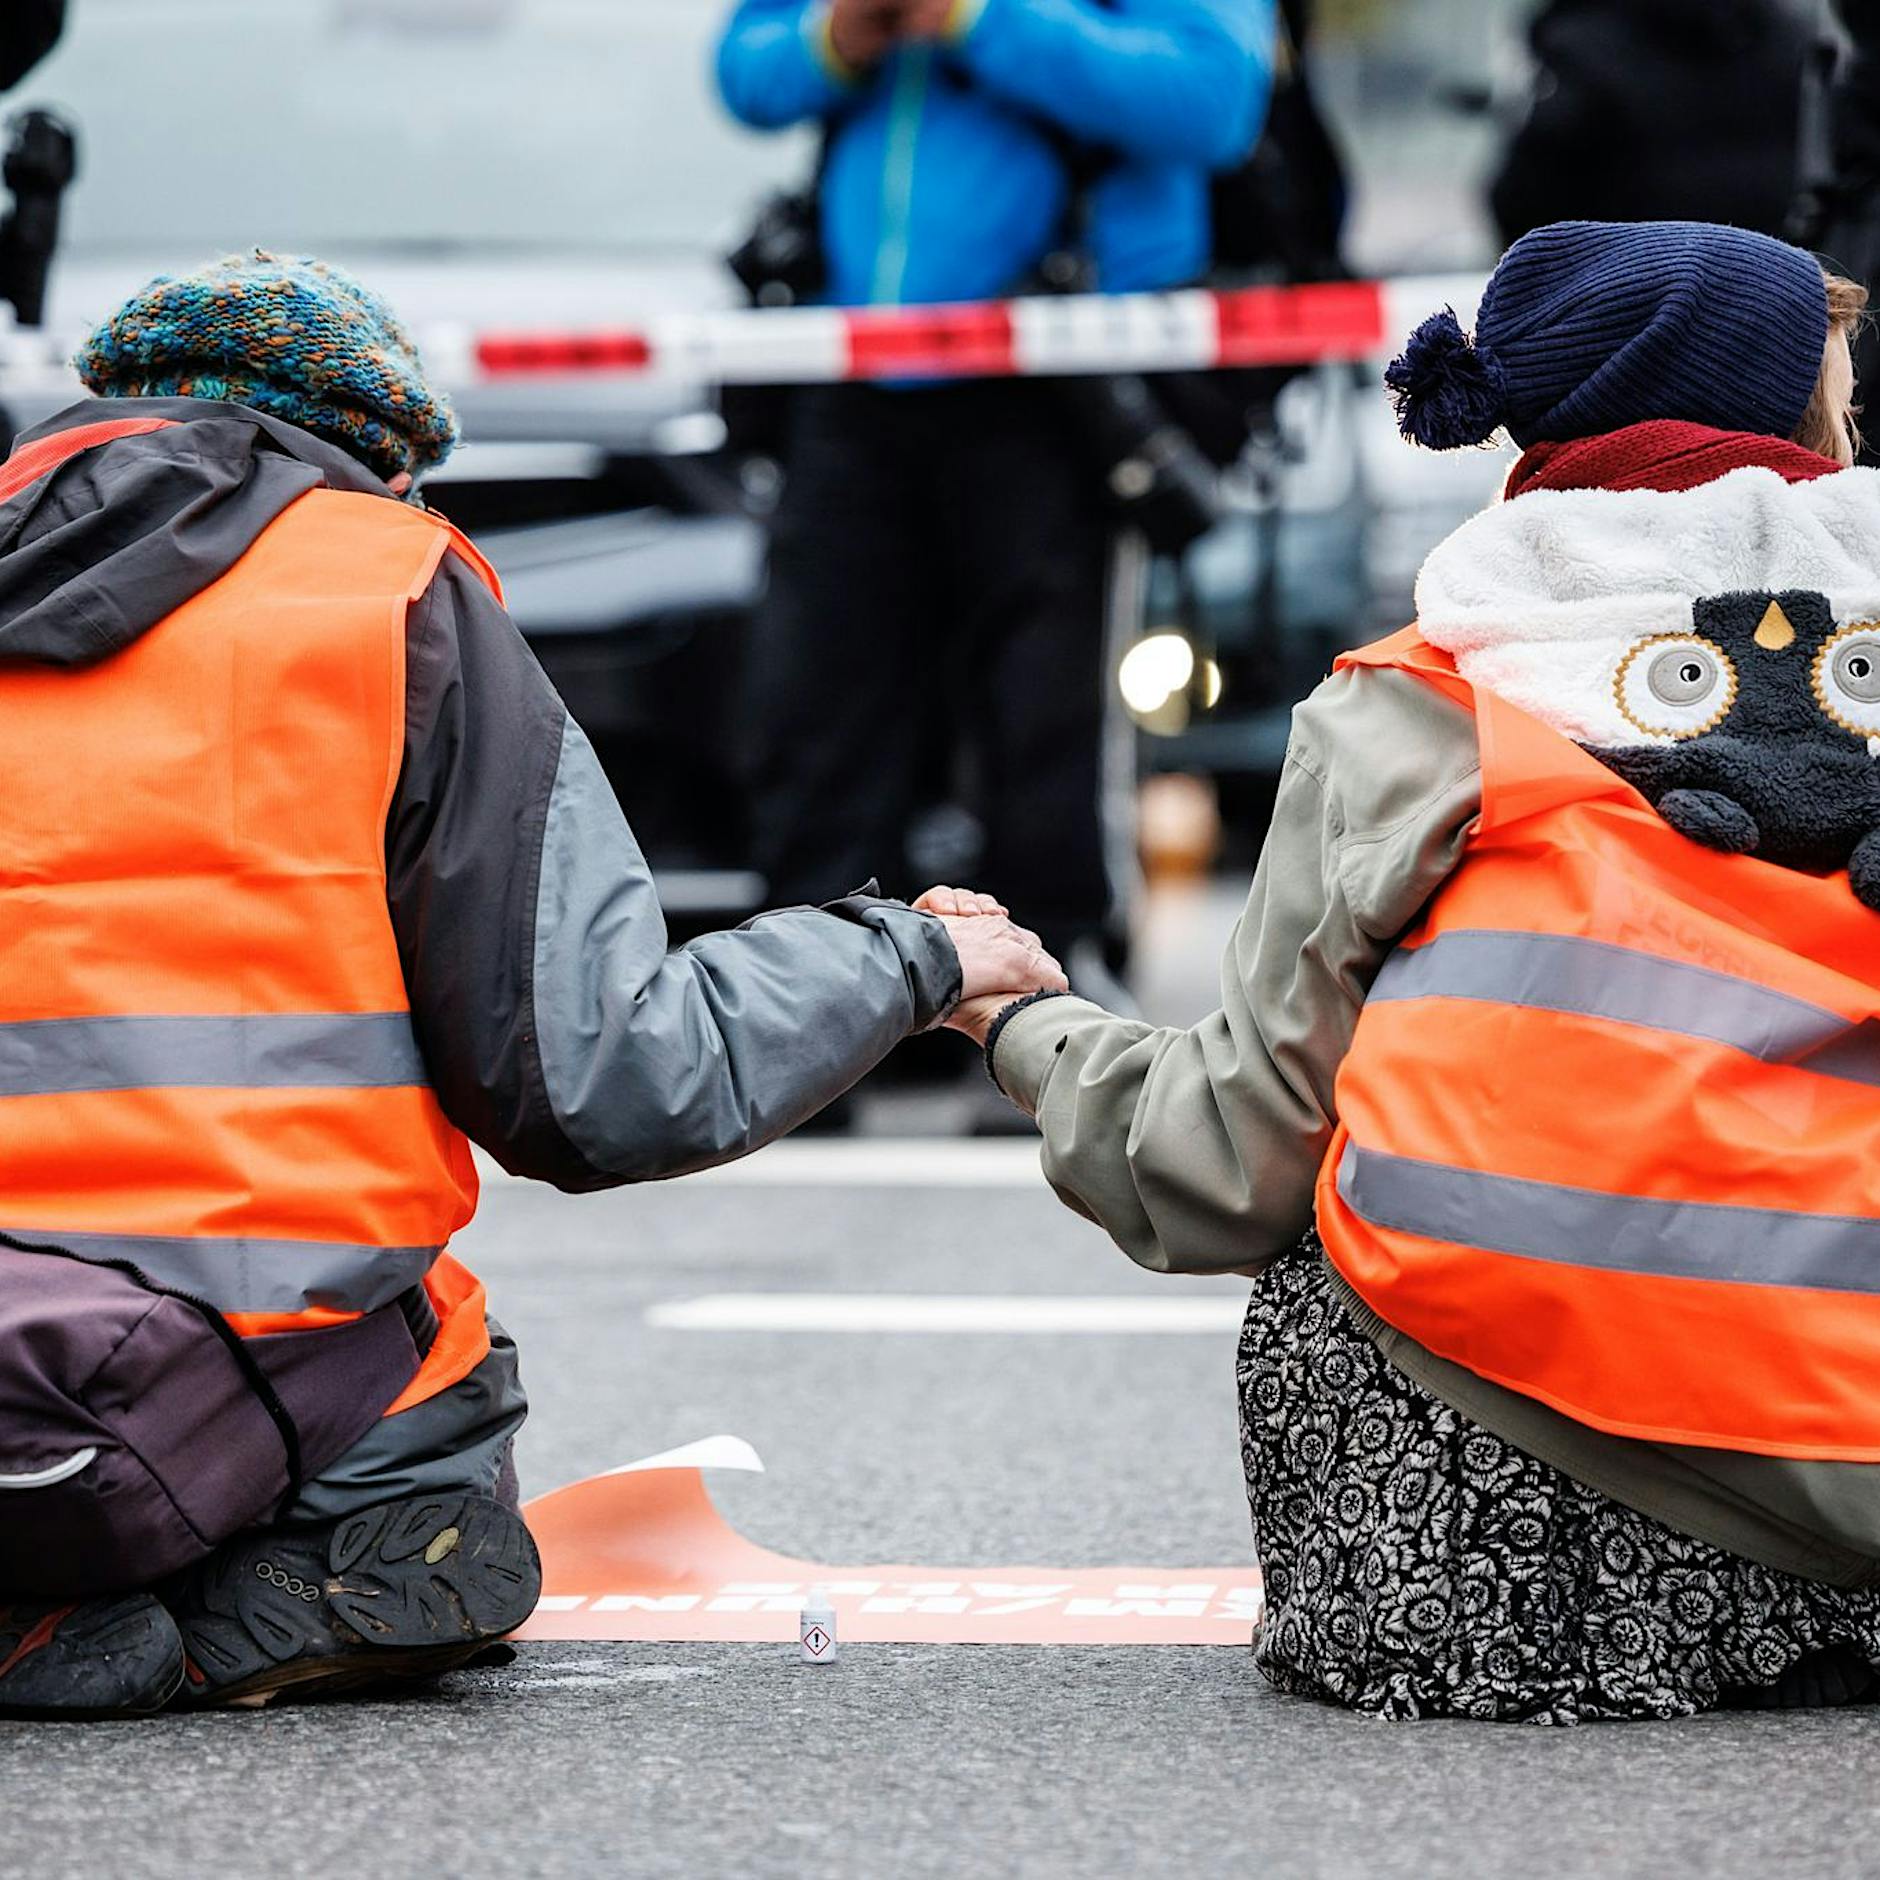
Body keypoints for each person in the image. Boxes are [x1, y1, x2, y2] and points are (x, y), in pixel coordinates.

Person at [0, 251, 1064, 1720]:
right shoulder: (382, 587)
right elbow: (601, 1083)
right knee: (444, 1389)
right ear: (370, 453)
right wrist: (910, 956)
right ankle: (198, 1582)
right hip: (215, 1384)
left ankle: (47, 1591)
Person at [963, 219, 1880, 1722]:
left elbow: (1227, 1162)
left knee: (1339, 1190)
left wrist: (1016, 1018)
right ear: (1788, 425)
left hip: (1497, 1560)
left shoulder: (1426, 706)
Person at [715, 0, 1274, 982]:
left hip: (1053, 380)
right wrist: (841, 36)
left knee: (1044, 718)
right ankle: (810, 1018)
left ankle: (1043, 1010)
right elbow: (745, 71)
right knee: (819, 712)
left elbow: (1210, 103)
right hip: (855, 376)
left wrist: (976, 21)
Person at [1490, 0, 1811, 245]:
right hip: (1775, 302)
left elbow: (1524, 209)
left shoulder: (1583, 46)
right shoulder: (1791, 40)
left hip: (1625, 305)